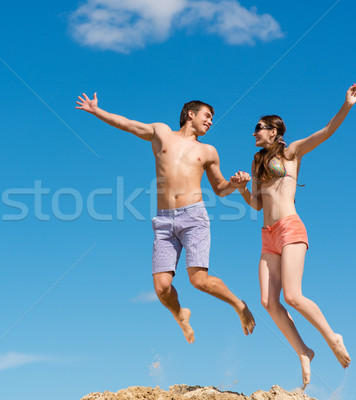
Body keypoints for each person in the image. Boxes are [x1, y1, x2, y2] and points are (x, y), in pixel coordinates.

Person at [76, 92, 255, 343]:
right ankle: (180, 314)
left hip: (194, 217)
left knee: (198, 280)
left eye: (212, 118)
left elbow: (220, 189)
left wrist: (236, 184)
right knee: (161, 288)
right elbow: (128, 124)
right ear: (190, 114)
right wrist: (97, 111)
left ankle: (239, 304)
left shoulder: (208, 151)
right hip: (163, 221)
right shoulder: (162, 133)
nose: (211, 121)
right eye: (207, 116)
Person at [231, 84, 356, 388]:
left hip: (290, 227)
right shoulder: (257, 161)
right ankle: (304, 352)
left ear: (275, 131)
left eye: (260, 128)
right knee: (267, 301)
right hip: (268, 234)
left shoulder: (291, 152)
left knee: (292, 295)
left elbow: (327, 131)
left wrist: (347, 105)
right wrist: (241, 188)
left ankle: (332, 336)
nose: (255, 132)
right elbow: (257, 203)